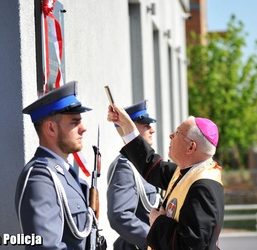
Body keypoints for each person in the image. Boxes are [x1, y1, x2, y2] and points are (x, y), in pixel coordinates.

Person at [107, 103, 224, 250]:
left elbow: (190, 246)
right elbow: (150, 164)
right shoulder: (188, 171)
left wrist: (158, 223)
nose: (171, 136)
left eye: (178, 133)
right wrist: (126, 126)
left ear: (191, 147)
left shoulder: (203, 187)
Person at [15, 81, 96, 249]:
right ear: (51, 128)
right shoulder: (40, 177)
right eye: (74, 122)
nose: (83, 129)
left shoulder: (65, 173)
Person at [107, 100, 162, 250]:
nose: (152, 130)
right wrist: (153, 240)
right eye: (146, 125)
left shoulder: (142, 165)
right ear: (127, 127)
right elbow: (120, 216)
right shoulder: (125, 167)